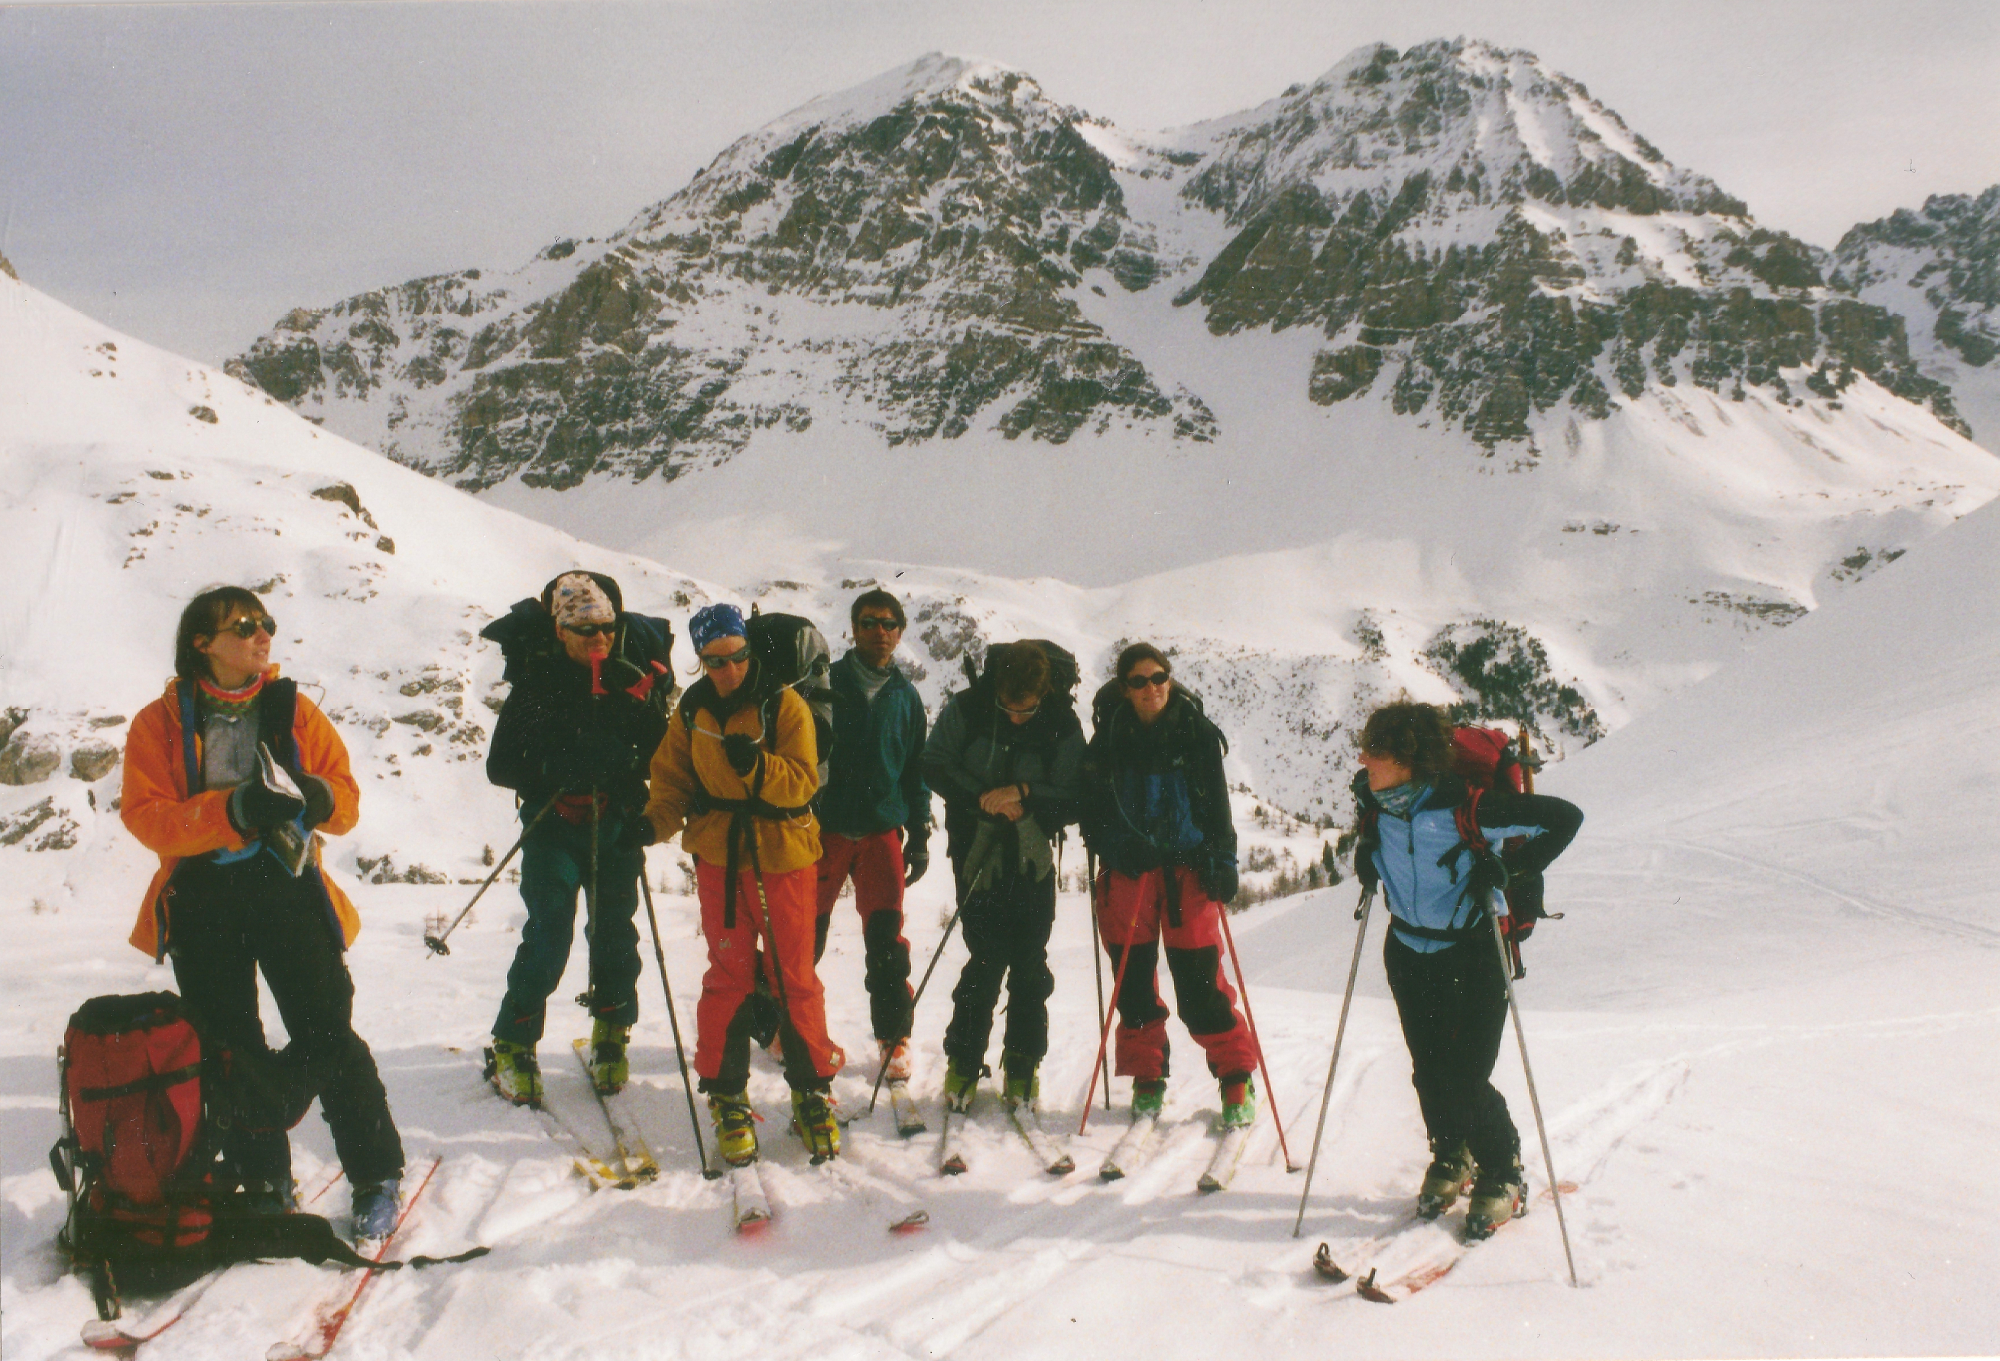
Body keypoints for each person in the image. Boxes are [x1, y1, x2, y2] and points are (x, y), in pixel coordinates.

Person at [121, 586, 405, 1242]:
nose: (261, 635)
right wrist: (233, 811)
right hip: (202, 898)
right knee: (227, 1044)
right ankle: (263, 1180)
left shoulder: (293, 708)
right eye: (244, 625)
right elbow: (147, 817)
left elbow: (347, 799)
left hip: (289, 888)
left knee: (328, 1030)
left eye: (266, 624)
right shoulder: (159, 722)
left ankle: (374, 1174)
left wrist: (316, 794)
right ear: (203, 641)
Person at [1351, 700, 1582, 1238]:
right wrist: (1365, 850)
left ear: (1411, 760)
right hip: (1407, 951)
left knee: (1464, 1077)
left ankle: (1503, 1168)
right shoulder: (1375, 801)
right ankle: (1451, 1153)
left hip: (1474, 951)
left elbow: (1565, 818)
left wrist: (1514, 866)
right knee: (1429, 1070)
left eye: (1377, 751)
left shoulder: (1470, 809)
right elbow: (1377, 841)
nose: (1364, 758)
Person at [646, 603, 845, 1164]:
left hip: (784, 855)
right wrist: (650, 824)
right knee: (729, 974)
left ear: (747, 650)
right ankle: (727, 1094)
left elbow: (804, 782)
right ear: (701, 661)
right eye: (713, 661)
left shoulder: (786, 705)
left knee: (793, 977)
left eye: (734, 657)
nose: (726, 670)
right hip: (720, 856)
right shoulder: (693, 710)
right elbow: (672, 781)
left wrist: (756, 767)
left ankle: (812, 1091)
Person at [481, 572, 673, 1104]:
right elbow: (500, 766)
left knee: (614, 931)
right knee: (550, 933)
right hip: (553, 825)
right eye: (586, 630)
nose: (600, 639)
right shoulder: (537, 686)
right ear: (561, 631)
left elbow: (662, 754)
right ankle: (512, 1041)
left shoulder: (631, 680)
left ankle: (611, 1032)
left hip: (611, 822)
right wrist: (557, 765)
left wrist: (633, 778)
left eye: (607, 628)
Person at [1081, 643, 1258, 1128]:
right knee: (1132, 981)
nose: (1151, 688)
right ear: (1124, 687)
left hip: (1189, 873)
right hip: (1128, 874)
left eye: (1158, 677)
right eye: (1138, 681)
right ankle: (1147, 1076)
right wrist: (1118, 850)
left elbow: (1218, 809)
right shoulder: (1109, 739)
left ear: (1170, 678)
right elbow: (1092, 816)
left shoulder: (1197, 735)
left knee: (1200, 982)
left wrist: (1224, 860)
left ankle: (1236, 1075)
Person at [923, 642, 1085, 1114]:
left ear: (1044, 693)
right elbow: (934, 764)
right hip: (977, 850)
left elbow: (1076, 794)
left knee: (1030, 960)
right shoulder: (969, 708)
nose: (1016, 717)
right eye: (1007, 708)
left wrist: (1025, 794)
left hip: (1031, 853)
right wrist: (986, 798)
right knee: (988, 955)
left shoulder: (1060, 721)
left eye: (1026, 709)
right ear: (995, 689)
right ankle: (964, 1060)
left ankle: (1022, 1060)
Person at [813, 588, 930, 1085]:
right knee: (804, 934)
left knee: (885, 940)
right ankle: (786, 1023)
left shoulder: (906, 697)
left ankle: (893, 1036)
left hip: (882, 827)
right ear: (853, 630)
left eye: (887, 623)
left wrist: (919, 830)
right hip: (826, 827)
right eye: (867, 623)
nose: (878, 632)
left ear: (900, 632)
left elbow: (915, 770)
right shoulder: (826, 683)